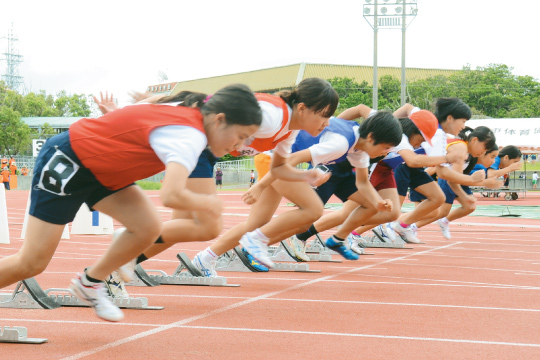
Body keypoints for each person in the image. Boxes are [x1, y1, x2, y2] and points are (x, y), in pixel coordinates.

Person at [0, 84, 262, 321]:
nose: (240, 145)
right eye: (240, 136)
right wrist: (210, 204)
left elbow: (142, 111)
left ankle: (89, 283)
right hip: (69, 162)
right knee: (31, 262)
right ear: (219, 120)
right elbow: (170, 195)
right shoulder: (189, 137)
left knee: (147, 227)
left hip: (104, 171)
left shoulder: (188, 106)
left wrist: (117, 114)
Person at [413, 127, 501, 239]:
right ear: (475, 141)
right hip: (420, 171)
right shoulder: (461, 150)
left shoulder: (469, 155)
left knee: (465, 207)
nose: (493, 161)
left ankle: (407, 225)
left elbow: (454, 178)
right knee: (436, 212)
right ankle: (408, 226)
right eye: (491, 156)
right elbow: (451, 179)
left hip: (441, 176)